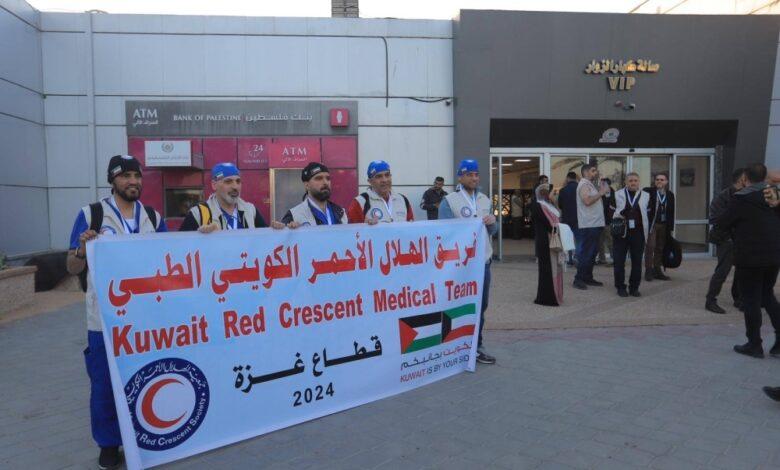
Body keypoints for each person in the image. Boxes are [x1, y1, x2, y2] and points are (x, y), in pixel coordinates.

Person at [66, 155, 167, 470]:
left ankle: (144, 436)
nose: (133, 182)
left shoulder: (152, 217)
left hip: (147, 319)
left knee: (147, 377)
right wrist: (82, 249)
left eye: (137, 176)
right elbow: (72, 267)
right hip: (104, 320)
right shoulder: (92, 214)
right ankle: (108, 444)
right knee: (105, 384)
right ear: (112, 180)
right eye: (125, 176)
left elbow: (169, 259)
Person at [714, 163, 780, 359]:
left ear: (745, 179)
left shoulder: (741, 198)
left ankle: (754, 344)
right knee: (767, 295)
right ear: (764, 177)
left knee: (751, 300)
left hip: (750, 257)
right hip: (773, 255)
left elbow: (723, 222)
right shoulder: (773, 195)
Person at [438, 158, 497, 365]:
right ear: (460, 177)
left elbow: (493, 231)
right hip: (460, 266)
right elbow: (444, 234)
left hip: (483, 263)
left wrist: (493, 223)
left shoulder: (484, 200)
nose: (474, 178)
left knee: (481, 306)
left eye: (476, 174)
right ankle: (451, 346)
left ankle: (476, 346)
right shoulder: (449, 201)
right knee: (456, 305)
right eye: (469, 174)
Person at [179, 162, 277, 232]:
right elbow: (180, 246)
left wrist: (276, 231)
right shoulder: (198, 213)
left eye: (238, 181)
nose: (235, 187)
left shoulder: (251, 210)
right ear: (214, 185)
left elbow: (265, 242)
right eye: (228, 181)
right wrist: (200, 237)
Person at [705, 168, 747, 314]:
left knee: (741, 270)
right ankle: (710, 301)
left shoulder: (746, 195)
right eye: (748, 178)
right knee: (722, 271)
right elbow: (715, 219)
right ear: (742, 179)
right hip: (725, 239)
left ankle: (738, 298)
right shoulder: (723, 196)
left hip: (741, 239)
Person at [612, 172, 652, 297]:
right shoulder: (617, 194)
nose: (633, 183)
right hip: (621, 233)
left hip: (638, 233)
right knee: (619, 261)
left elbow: (649, 214)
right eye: (630, 181)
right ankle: (620, 287)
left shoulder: (646, 196)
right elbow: (610, 211)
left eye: (635, 180)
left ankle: (634, 288)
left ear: (639, 182)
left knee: (637, 262)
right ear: (626, 182)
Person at [574, 163, 608, 290]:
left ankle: (588, 277)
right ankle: (578, 279)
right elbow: (587, 201)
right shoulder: (583, 185)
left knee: (592, 253)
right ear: (586, 172)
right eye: (593, 171)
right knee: (586, 253)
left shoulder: (590, 184)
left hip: (595, 224)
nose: (596, 173)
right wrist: (601, 192)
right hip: (589, 225)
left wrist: (600, 190)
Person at [281, 162, 348, 226]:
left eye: (328, 178)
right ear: (307, 185)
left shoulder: (340, 212)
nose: (325, 182)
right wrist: (280, 228)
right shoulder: (294, 215)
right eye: (319, 178)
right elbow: (281, 233)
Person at [347, 160, 414, 224]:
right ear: (370, 181)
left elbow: (411, 228)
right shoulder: (360, 202)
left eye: (387, 175)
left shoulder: (403, 200)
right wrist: (365, 226)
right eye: (379, 176)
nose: (384, 180)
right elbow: (352, 230)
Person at [531, 184, 564, 306]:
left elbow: (558, 218)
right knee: (548, 269)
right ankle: (548, 298)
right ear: (545, 193)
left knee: (555, 268)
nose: (554, 194)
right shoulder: (539, 206)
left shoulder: (549, 205)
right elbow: (549, 225)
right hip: (546, 242)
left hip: (552, 240)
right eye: (551, 192)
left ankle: (555, 295)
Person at [644, 172, 675, 281]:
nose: (659, 181)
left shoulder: (670, 195)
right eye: (657, 179)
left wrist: (670, 228)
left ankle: (657, 270)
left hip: (664, 225)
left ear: (666, 182)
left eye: (662, 180)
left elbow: (671, 212)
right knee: (650, 247)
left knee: (660, 247)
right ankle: (648, 270)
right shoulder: (648, 191)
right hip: (652, 224)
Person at [558, 171, 579, 266]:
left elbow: (560, 205)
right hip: (578, 218)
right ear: (575, 178)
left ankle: (570, 259)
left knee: (568, 239)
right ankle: (577, 258)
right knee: (578, 239)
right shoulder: (580, 188)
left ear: (567, 178)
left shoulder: (563, 190)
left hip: (566, 218)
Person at [597, 178, 616, 266]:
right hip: (599, 221)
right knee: (599, 241)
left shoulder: (614, 194)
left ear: (608, 185)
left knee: (610, 241)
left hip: (609, 222)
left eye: (602, 184)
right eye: (600, 184)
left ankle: (615, 259)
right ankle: (602, 259)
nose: (600, 186)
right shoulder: (600, 194)